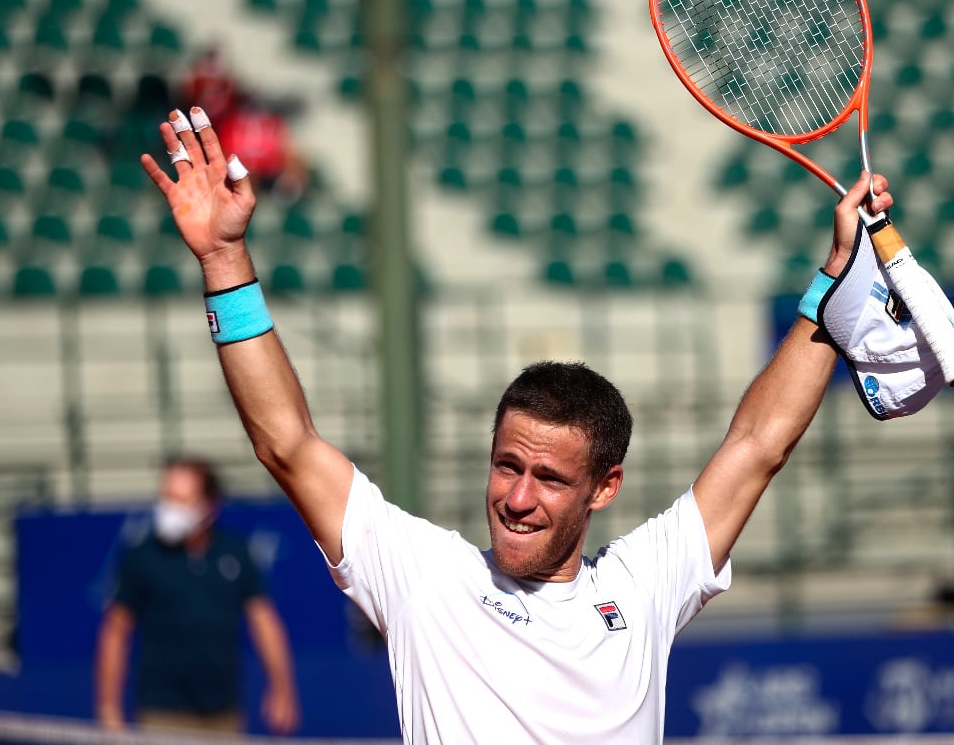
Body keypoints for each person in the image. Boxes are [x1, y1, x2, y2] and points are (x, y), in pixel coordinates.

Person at [140, 107, 895, 742]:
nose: (518, 496)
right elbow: (288, 444)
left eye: (550, 476)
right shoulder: (427, 578)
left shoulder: (642, 584)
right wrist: (224, 258)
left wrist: (835, 275)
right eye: (508, 465)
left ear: (606, 487)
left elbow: (759, 444)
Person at [94, 455, 301, 736]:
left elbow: (263, 620)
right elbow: (116, 630)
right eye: (166, 497)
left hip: (224, 715)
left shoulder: (235, 551)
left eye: (180, 500)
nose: (169, 509)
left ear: (209, 506)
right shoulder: (142, 555)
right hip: (161, 715)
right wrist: (108, 707)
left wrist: (282, 688)